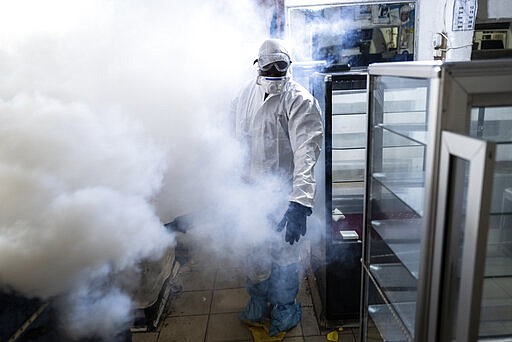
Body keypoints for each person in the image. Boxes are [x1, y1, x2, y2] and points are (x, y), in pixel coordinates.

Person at [231, 39, 323, 336]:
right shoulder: (245, 94)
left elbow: (306, 153)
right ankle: (258, 301)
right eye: (269, 66)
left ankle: (284, 306)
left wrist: (300, 202)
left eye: (281, 65)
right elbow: (232, 141)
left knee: (284, 255)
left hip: (284, 195)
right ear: (257, 66)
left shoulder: (299, 100)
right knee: (255, 249)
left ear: (290, 65)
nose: (275, 72)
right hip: (250, 193)